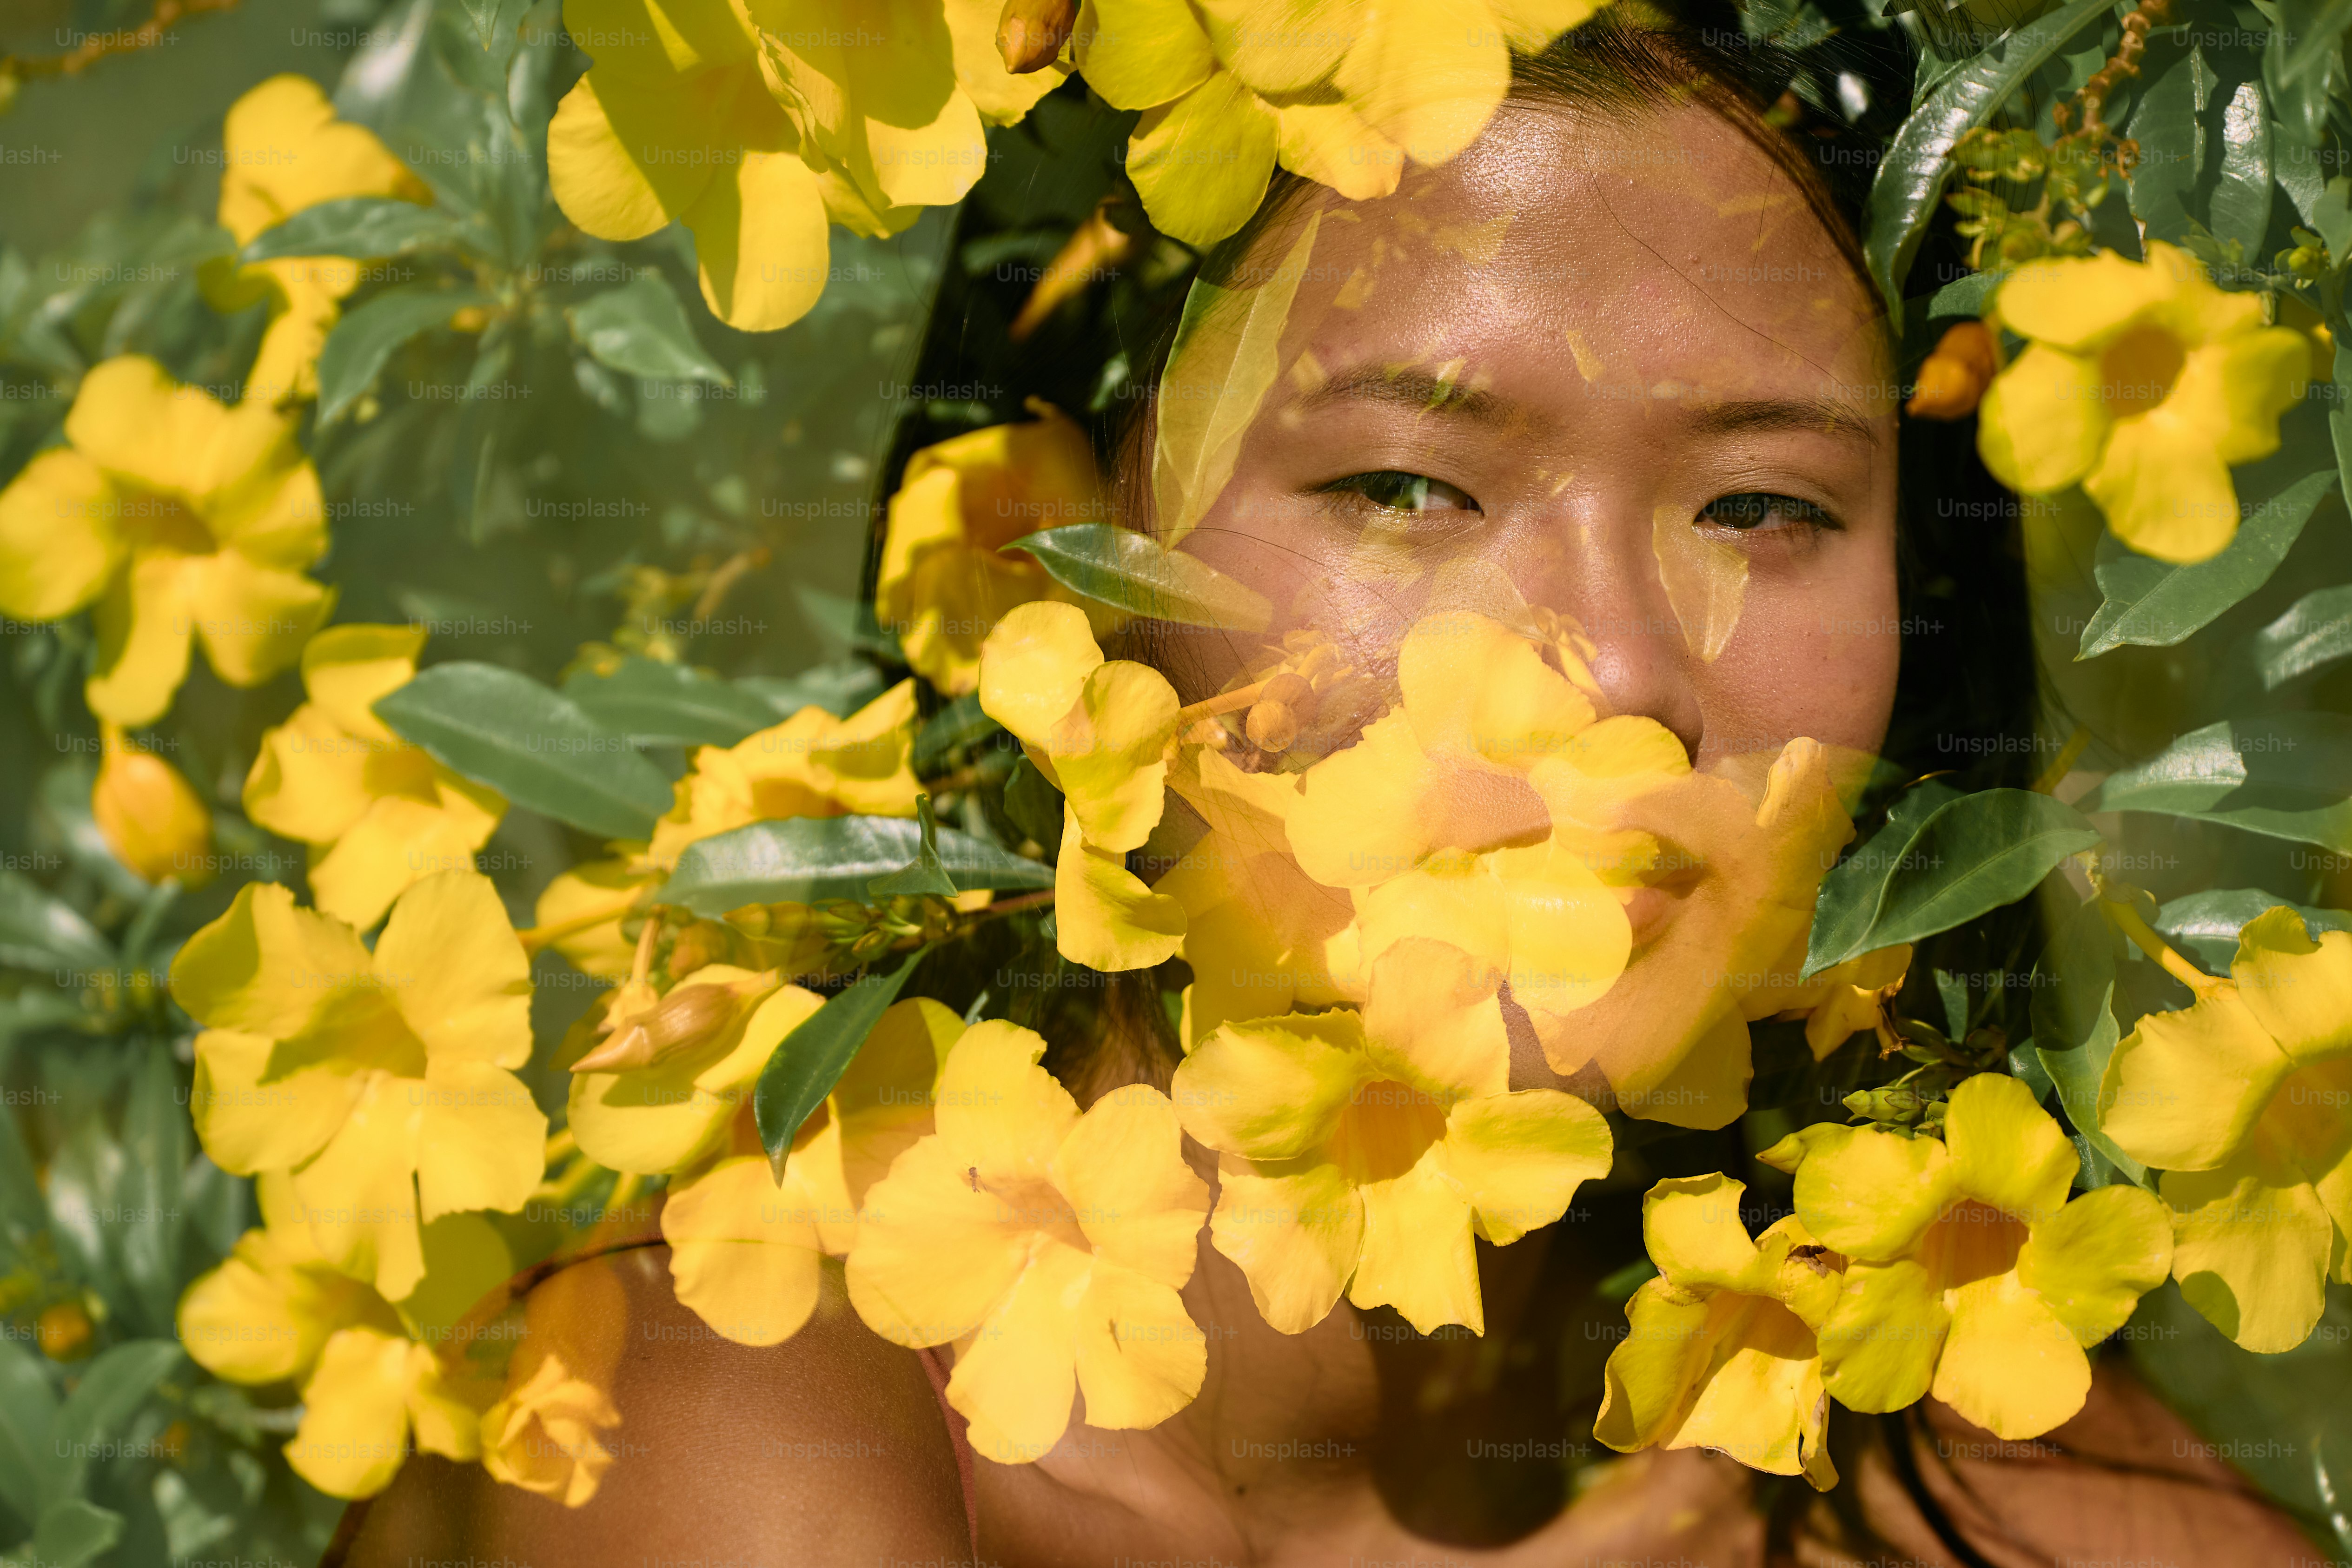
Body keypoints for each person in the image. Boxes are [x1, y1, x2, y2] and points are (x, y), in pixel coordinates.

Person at [336, 15, 2320, 1565]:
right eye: (1403, 485)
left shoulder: (2044, 1509)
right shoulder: (729, 1422)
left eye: (1761, 506)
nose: (1624, 668)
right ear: (1065, 550)